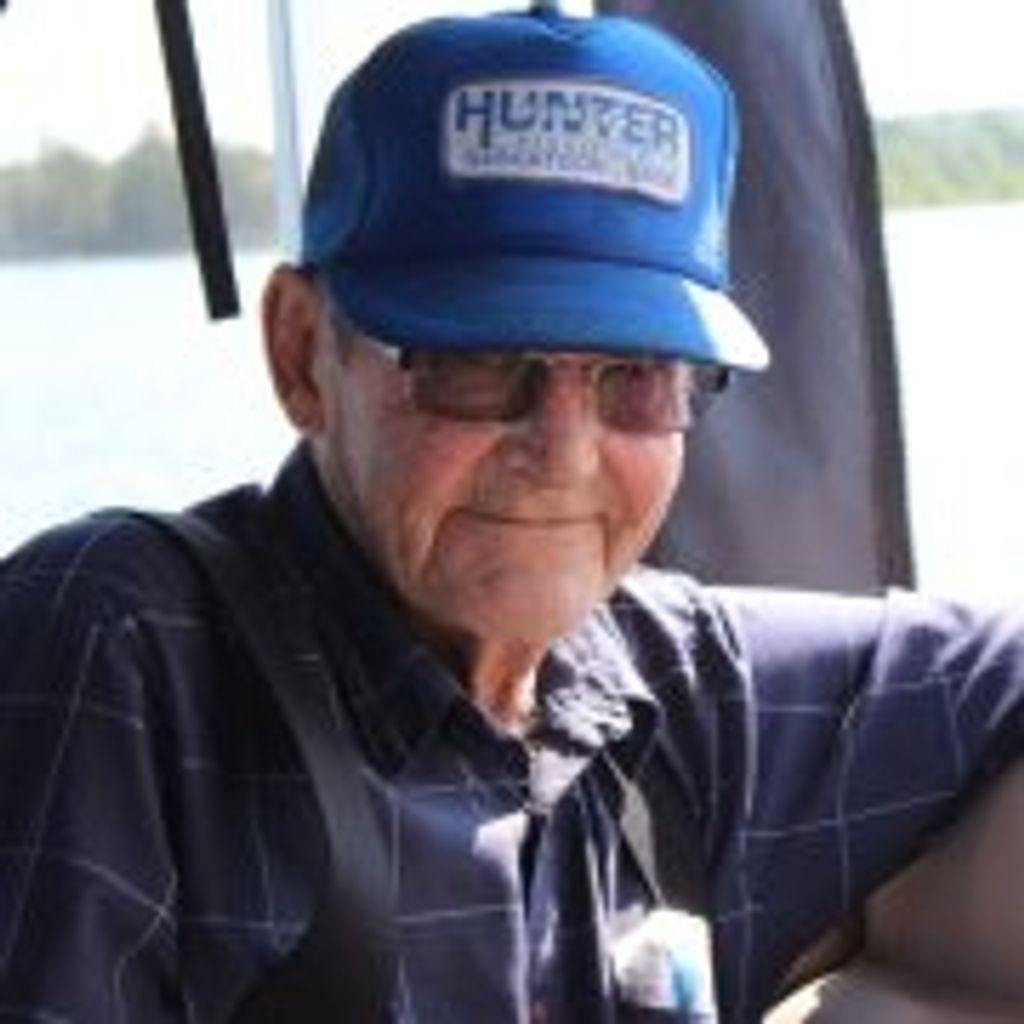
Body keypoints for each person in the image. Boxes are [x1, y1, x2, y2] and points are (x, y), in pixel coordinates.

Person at [0, 4, 1021, 1022]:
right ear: (302, 354)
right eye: (479, 362)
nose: (564, 452)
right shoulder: (125, 650)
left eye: (637, 374)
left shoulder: (685, 691)